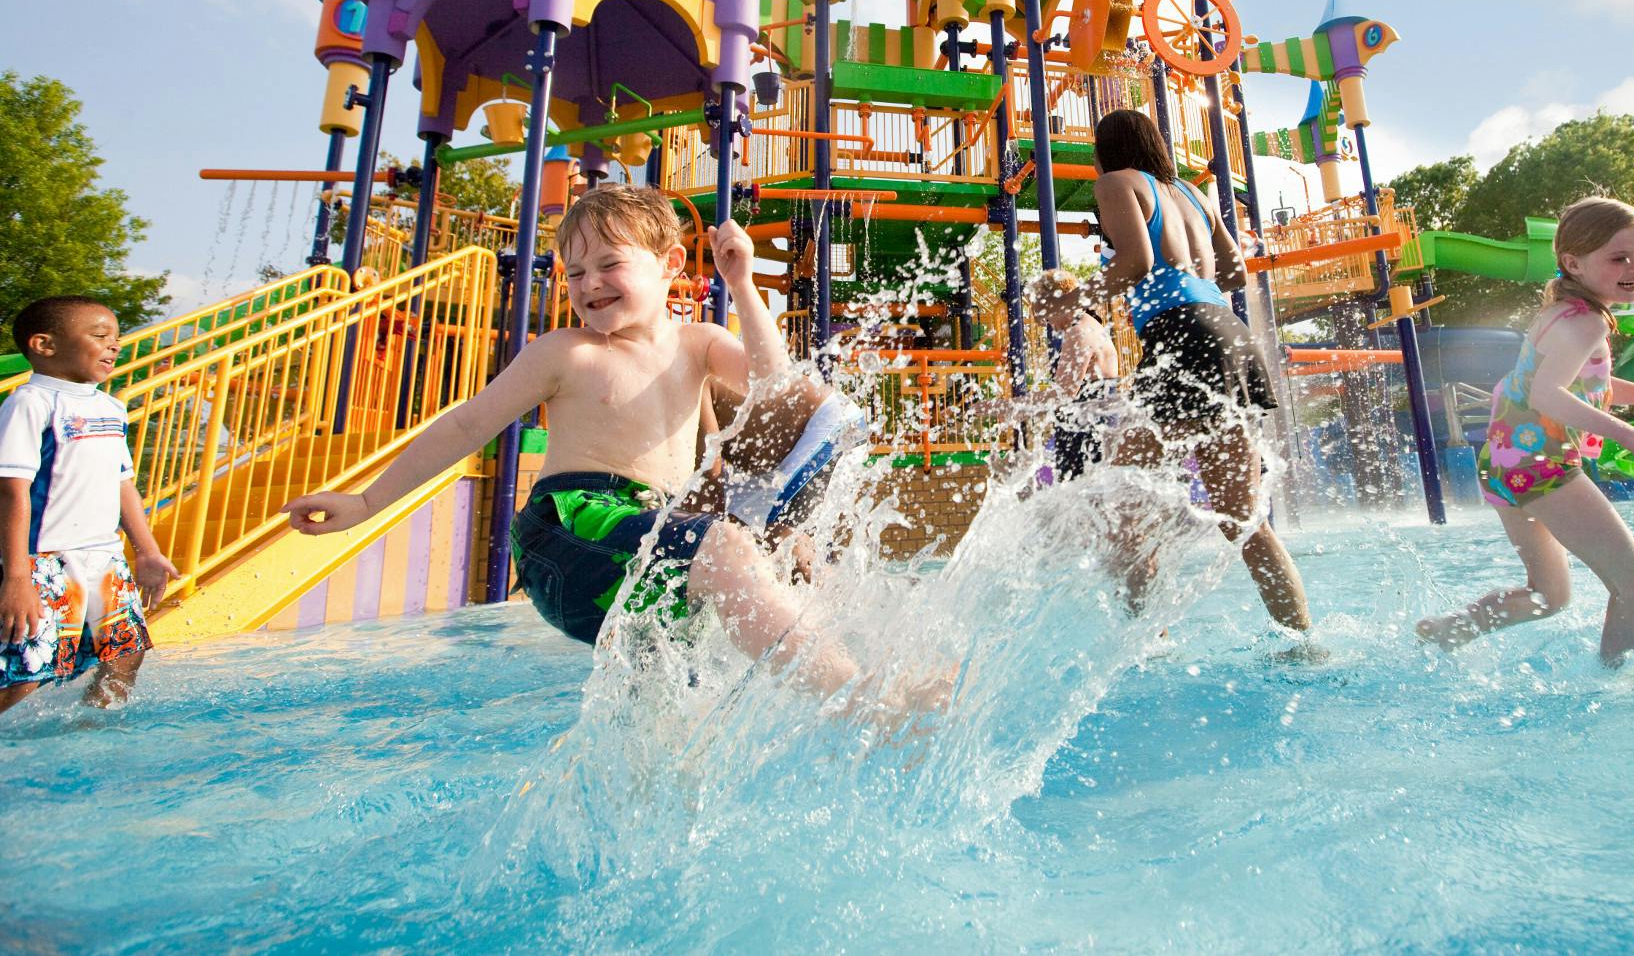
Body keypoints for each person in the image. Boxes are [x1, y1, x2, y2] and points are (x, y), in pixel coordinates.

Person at [283, 188, 930, 715]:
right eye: (575, 272)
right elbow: (466, 425)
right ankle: (864, 703)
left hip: (650, 537)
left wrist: (742, 282)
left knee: (721, 640)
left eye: (608, 264)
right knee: (727, 548)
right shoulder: (566, 353)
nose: (588, 283)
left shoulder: (698, 343)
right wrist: (366, 499)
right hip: (571, 530)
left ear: (671, 264)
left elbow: (775, 384)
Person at [1040, 109, 1310, 632]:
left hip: (1181, 339)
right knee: (1244, 521)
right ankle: (1304, 641)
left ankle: (1149, 640)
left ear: (1106, 150)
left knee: (1118, 505)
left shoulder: (1117, 183)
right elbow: (1234, 271)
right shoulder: (1194, 193)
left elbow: (1137, 263)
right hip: (1229, 335)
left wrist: (1078, 297)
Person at [1417, 198, 1634, 664]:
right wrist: (1630, 436)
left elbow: (1590, 383)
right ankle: (1622, 685)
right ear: (1572, 262)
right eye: (1618, 257)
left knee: (1549, 597)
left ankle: (1452, 629)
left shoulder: (1565, 312)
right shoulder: (1585, 321)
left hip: (1507, 464)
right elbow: (1549, 394)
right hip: (1541, 465)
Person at [1, 297, 179, 714]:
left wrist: (147, 551)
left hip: (104, 555)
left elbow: (123, 484)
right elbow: (12, 492)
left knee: (125, 656)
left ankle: (87, 738)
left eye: (116, 339)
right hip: (44, 560)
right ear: (44, 345)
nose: (113, 346)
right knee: (25, 675)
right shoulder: (31, 403)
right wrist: (15, 576)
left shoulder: (110, 407)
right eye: (100, 336)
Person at [1035, 270, 1121, 481]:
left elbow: (1064, 394)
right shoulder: (1089, 326)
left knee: (1082, 492)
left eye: (1047, 314)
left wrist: (1007, 407)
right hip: (1093, 421)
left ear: (1061, 301)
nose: (1050, 323)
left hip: (1089, 427)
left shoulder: (1080, 332)